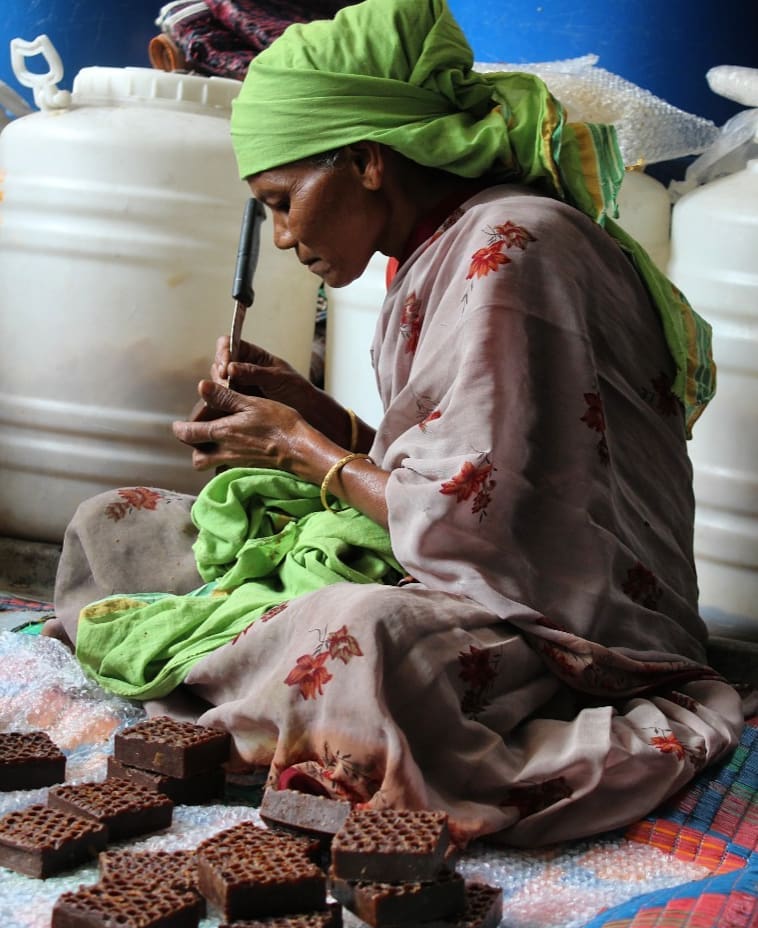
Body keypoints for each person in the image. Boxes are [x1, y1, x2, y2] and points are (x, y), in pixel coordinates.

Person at [43, 0, 744, 848]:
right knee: (114, 524)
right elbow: (462, 461)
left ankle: (275, 694)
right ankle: (255, 678)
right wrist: (321, 415)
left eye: (282, 199)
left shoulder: (514, 247)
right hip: (459, 561)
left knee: (359, 641)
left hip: (567, 629)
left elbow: (477, 521)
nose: (282, 234)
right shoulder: (445, 245)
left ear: (368, 161)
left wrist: (297, 447)